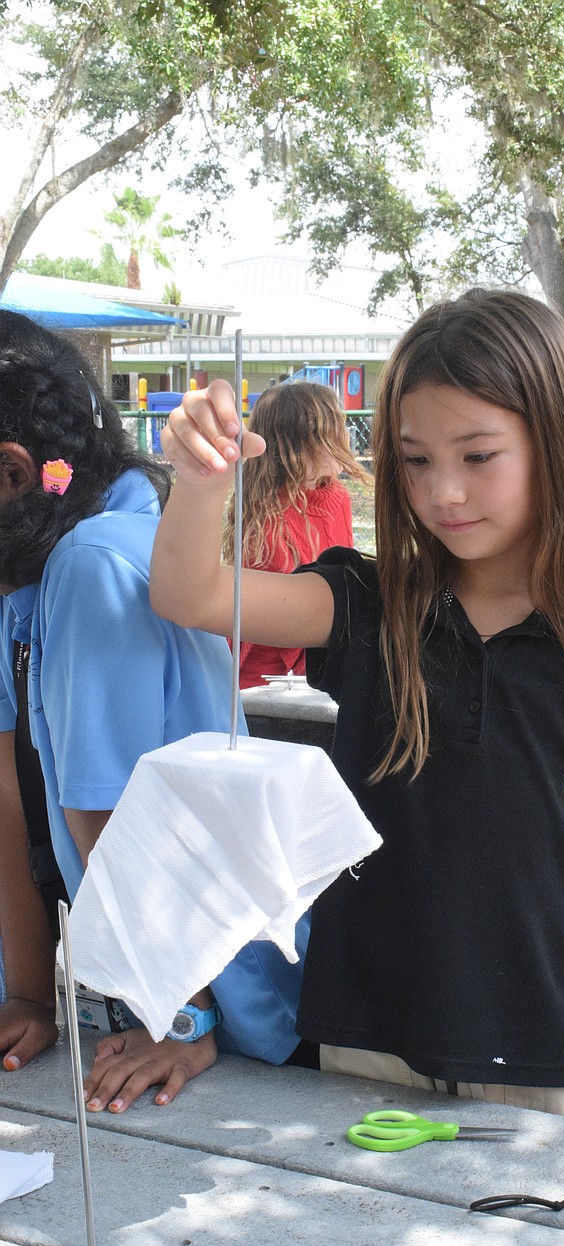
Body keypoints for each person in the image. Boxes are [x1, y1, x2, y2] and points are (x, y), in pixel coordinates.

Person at [151, 289, 564, 1135]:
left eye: (479, 455)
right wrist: (198, 480)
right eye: (413, 459)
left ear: (553, 444)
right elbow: (192, 593)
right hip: (366, 1041)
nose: (444, 491)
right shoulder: (367, 603)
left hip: (543, 1057)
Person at [0, 310, 309, 1115]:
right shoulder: (26, 571)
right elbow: (5, 784)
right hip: (132, 982)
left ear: (12, 473)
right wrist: (31, 995)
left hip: (208, 1003)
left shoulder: (91, 566)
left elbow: (124, 823)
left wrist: (187, 1015)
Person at [222, 380, 370, 688]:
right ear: (298, 448)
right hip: (269, 685)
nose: (344, 441)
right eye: (331, 433)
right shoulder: (267, 528)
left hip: (322, 670)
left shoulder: (336, 496)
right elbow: (238, 631)